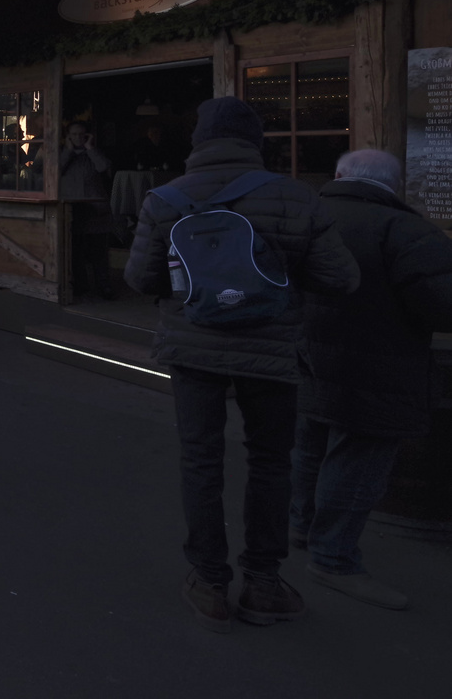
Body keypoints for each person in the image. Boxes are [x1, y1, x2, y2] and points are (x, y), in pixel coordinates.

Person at [125, 96, 359, 633]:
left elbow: (140, 280)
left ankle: (209, 580)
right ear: (256, 141)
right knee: (272, 463)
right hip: (272, 349)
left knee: (201, 461)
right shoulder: (296, 197)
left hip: (194, 347)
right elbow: (342, 278)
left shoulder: (165, 199)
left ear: (198, 142)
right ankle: (263, 581)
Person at [293, 150, 452, 610]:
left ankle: (302, 526)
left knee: (311, 442)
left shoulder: (307, 217)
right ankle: (333, 557)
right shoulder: (408, 230)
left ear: (340, 176)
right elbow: (443, 305)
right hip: (380, 364)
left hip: (309, 351)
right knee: (358, 460)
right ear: (395, 185)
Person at [61, 122, 117, 299]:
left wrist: (90, 148)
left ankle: (104, 287)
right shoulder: (64, 155)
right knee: (76, 252)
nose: (78, 138)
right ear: (69, 136)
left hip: (96, 210)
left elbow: (103, 166)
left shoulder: (93, 153)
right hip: (74, 210)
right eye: (74, 134)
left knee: (99, 253)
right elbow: (53, 171)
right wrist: (68, 151)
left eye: (82, 134)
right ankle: (80, 286)